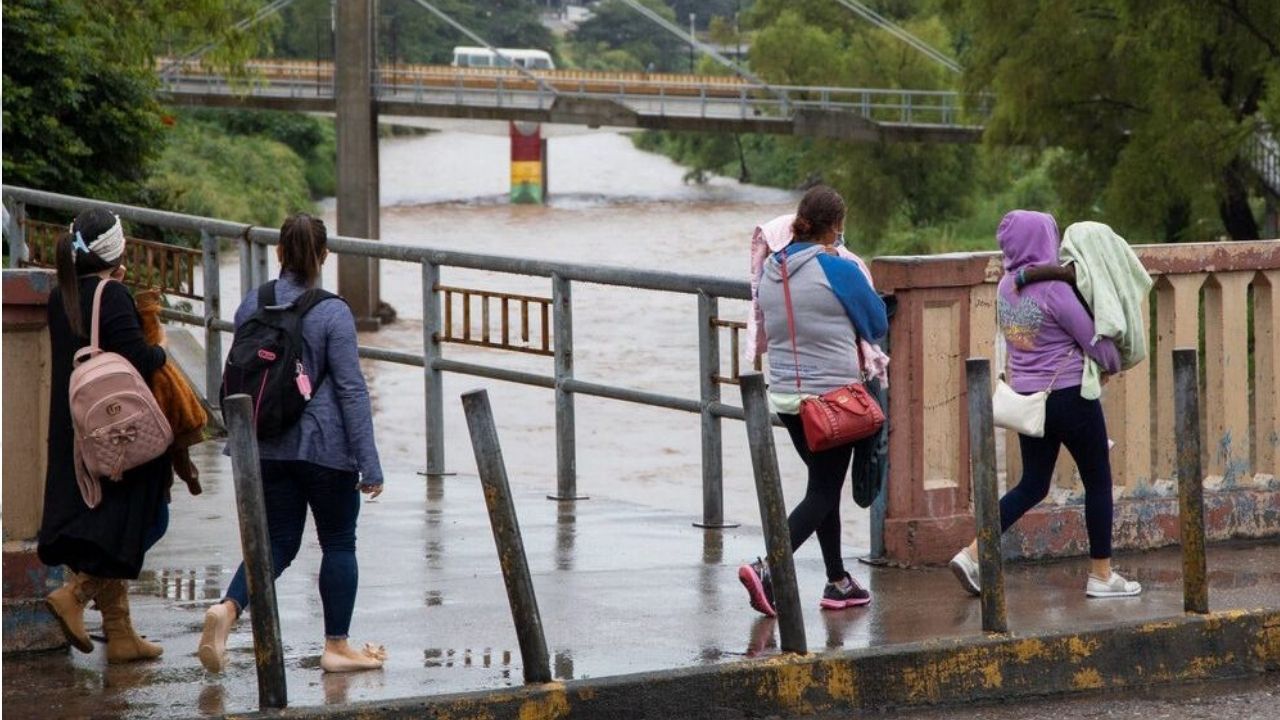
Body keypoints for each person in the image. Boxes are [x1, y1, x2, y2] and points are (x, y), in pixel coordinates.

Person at [197, 213, 387, 674]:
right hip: (325, 448)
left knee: (277, 542)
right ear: (324, 256)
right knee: (338, 541)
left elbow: (239, 374)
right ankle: (336, 646)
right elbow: (351, 390)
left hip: (264, 445)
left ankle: (227, 608)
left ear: (279, 252)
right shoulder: (332, 311)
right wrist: (369, 462)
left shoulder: (252, 303)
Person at [949, 210, 1141, 599]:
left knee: (1032, 484)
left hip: (1029, 402)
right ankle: (1101, 576)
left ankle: (971, 554)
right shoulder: (1054, 289)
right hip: (1070, 398)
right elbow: (1095, 341)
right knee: (1098, 481)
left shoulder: (1006, 287)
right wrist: (1115, 361)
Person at [738, 186, 888, 615]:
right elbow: (876, 323)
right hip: (832, 402)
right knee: (823, 492)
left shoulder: (771, 267)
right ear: (837, 226)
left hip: (787, 399)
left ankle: (837, 581)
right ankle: (767, 567)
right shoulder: (837, 268)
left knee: (823, 487)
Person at [40, 208, 170, 663]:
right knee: (148, 520)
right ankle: (76, 594)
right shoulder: (111, 295)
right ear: (116, 250)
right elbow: (140, 359)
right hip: (116, 435)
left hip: (75, 432)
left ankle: (120, 634)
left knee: (100, 529)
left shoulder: (61, 295)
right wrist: (162, 348)